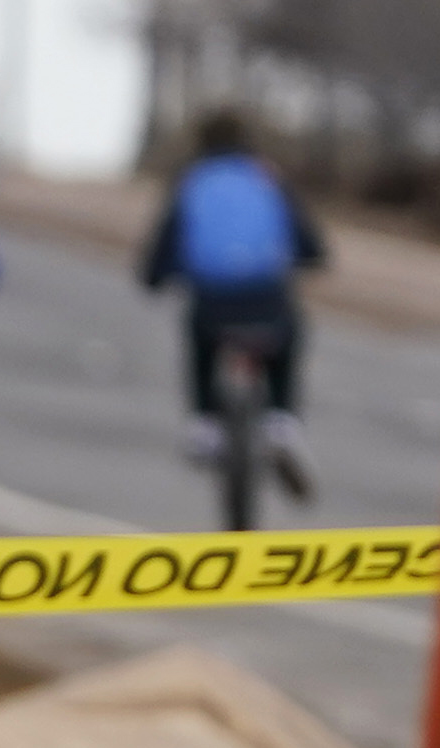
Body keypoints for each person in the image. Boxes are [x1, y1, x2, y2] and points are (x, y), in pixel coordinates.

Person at [135, 108, 327, 501]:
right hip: (267, 297)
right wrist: (304, 259)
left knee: (199, 337)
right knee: (289, 335)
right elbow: (310, 244)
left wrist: (156, 277)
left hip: (213, 302)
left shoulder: (193, 182)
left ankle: (205, 424)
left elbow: (163, 247)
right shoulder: (267, 178)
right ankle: (281, 421)